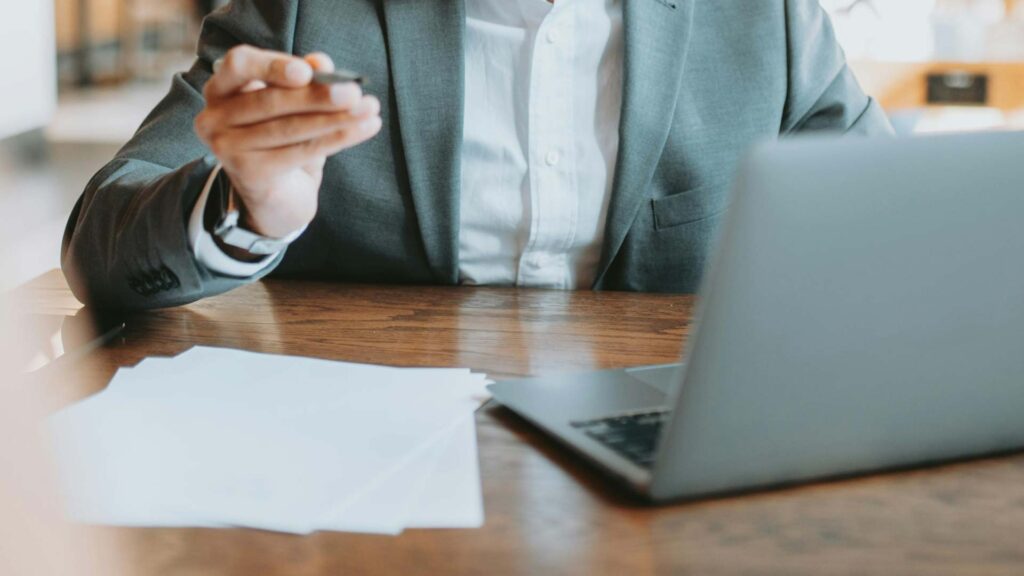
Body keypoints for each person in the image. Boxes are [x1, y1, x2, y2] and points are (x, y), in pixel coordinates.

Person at [62, 0, 892, 311]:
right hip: (372, 464)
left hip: (676, 444)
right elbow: (101, 251)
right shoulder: (305, 13)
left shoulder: (769, 17)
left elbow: (893, 225)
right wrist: (246, 210)